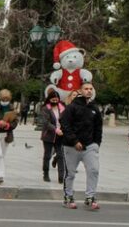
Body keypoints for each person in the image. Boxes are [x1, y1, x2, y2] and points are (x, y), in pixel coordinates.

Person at [60, 82, 103, 210]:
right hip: (71, 146)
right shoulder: (72, 107)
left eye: (91, 89)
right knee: (70, 173)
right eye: (86, 89)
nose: (89, 91)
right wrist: (74, 141)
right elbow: (65, 125)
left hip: (90, 146)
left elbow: (98, 127)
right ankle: (68, 197)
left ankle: (90, 197)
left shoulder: (94, 108)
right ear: (80, 90)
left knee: (93, 170)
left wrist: (96, 143)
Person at [41, 89, 65, 183]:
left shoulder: (62, 108)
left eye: (56, 99)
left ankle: (61, 176)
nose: (55, 101)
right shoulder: (45, 108)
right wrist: (55, 129)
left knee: (60, 155)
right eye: (53, 100)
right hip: (49, 136)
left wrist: (64, 130)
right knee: (47, 155)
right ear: (49, 99)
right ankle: (46, 174)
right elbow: (46, 122)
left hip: (60, 136)